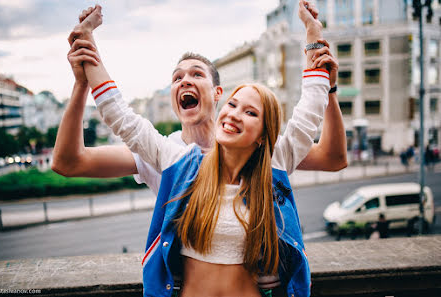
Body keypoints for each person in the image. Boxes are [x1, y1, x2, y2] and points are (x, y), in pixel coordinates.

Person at [53, 1, 343, 297]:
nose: (234, 114)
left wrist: (313, 35)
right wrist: (87, 49)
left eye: (251, 113)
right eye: (233, 105)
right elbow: (119, 115)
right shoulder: (177, 161)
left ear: (263, 137)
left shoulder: (273, 163)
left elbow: (309, 114)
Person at [52, 5, 347, 197]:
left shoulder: (255, 147)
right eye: (177, 78)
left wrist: (329, 91)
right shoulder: (162, 154)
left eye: (196, 74)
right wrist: (81, 84)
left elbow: (333, 158)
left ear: (219, 94)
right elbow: (68, 162)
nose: (184, 81)